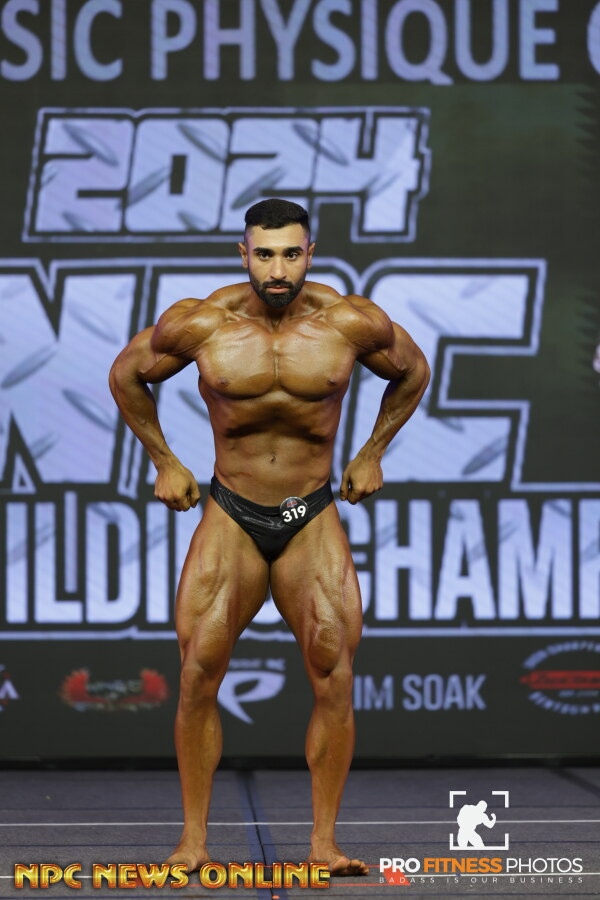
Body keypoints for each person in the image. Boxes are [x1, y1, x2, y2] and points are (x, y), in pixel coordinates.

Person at [109, 198, 429, 876]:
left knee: (333, 673)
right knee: (198, 674)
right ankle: (193, 841)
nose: (277, 270)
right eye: (264, 254)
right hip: (232, 511)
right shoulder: (201, 323)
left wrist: (372, 451)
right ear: (243, 254)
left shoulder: (350, 321)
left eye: (290, 254)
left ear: (310, 254)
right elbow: (127, 373)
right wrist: (164, 461)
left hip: (308, 513)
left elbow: (413, 371)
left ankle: (325, 844)